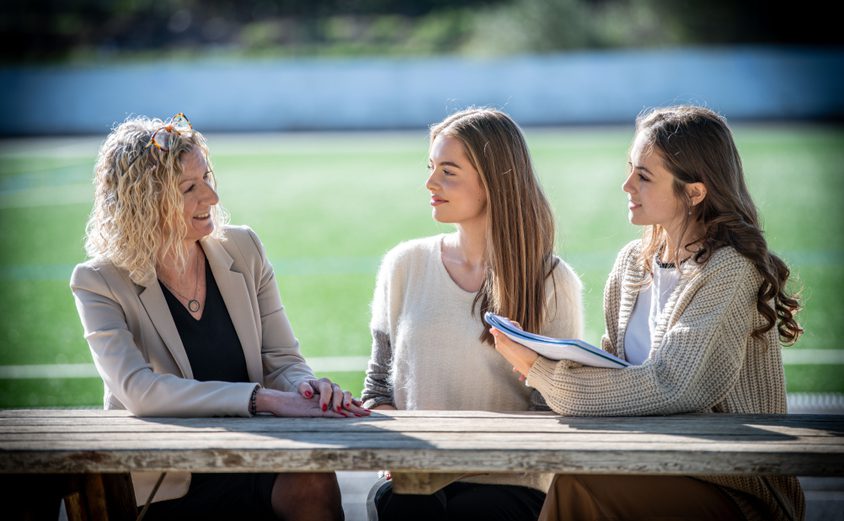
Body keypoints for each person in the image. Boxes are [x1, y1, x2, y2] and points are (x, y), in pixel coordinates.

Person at [491, 105, 804, 521]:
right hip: (646, 463)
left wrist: (540, 371)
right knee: (575, 478)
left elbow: (675, 386)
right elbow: (615, 370)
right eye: (629, 169)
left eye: (644, 175)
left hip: (731, 487)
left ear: (694, 193)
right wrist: (543, 352)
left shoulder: (730, 269)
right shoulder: (631, 263)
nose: (625, 185)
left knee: (578, 484)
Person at [70, 113, 368, 520]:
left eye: (207, 178)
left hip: (255, 458)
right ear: (143, 201)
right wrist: (260, 399)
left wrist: (305, 391)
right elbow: (139, 391)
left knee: (314, 478)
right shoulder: (98, 281)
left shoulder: (244, 248)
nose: (210, 197)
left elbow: (282, 359)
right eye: (189, 188)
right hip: (166, 483)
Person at [362, 108, 583, 520]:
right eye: (431, 167)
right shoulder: (404, 264)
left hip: (507, 486)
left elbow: (552, 409)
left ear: (495, 180)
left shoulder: (553, 281)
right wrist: (404, 450)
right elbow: (377, 389)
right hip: (413, 480)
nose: (430, 183)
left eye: (448, 171)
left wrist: (460, 457)